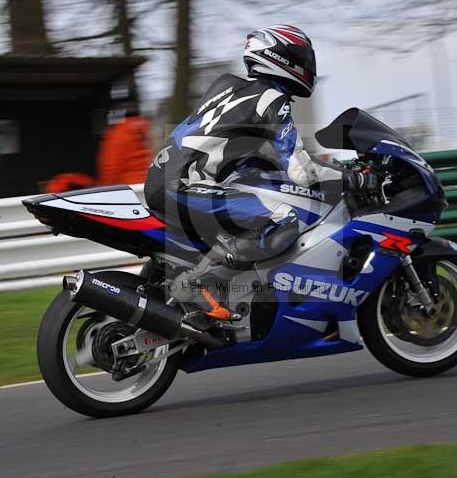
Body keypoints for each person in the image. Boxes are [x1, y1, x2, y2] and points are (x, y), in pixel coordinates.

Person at [144, 24, 377, 321]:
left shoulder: (229, 87)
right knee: (282, 219)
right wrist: (352, 178)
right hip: (186, 186)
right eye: (304, 58)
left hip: (163, 180)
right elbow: (300, 171)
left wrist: (327, 167)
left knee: (254, 207)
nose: (309, 67)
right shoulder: (271, 99)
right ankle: (203, 286)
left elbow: (250, 154)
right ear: (284, 58)